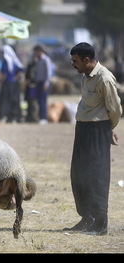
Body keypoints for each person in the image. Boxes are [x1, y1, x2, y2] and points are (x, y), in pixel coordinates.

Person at [64, 42, 122, 236]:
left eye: (75, 61)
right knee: (79, 175)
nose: (73, 64)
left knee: (96, 176)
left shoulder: (104, 78)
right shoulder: (85, 76)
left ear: (86, 60)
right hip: (83, 129)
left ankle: (101, 223)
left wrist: (107, 128)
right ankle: (86, 217)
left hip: (97, 131)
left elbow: (115, 109)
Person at [0, 45, 25, 123]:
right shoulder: (15, 60)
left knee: (5, 100)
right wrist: (16, 77)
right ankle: (15, 117)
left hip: (7, 83)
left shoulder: (6, 60)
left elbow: (4, 74)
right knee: (15, 100)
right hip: (14, 84)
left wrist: (0, 82)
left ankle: (4, 116)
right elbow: (22, 69)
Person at [33, 44, 53, 124]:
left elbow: (48, 73)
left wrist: (46, 83)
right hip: (38, 82)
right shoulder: (37, 60)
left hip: (44, 83)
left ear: (40, 51)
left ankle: (44, 118)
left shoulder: (46, 59)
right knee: (39, 100)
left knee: (42, 100)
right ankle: (40, 117)